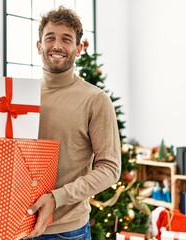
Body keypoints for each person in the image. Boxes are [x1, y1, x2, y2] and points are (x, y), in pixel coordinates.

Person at [24, 6, 121, 240]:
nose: (57, 45)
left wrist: (57, 198)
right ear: (39, 46)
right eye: (50, 38)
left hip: (65, 232)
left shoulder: (96, 100)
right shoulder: (18, 96)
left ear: (78, 49)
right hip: (16, 227)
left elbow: (110, 169)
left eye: (66, 39)